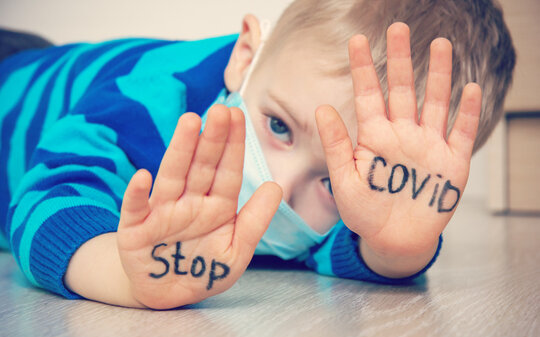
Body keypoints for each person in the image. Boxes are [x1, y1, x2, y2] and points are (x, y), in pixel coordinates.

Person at [0, 0, 515, 309]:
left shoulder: (356, 202)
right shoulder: (154, 105)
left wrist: (396, 249)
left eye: (334, 180)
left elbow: (348, 248)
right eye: (277, 126)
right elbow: (43, 194)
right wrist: (126, 276)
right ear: (247, 56)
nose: (279, 187)